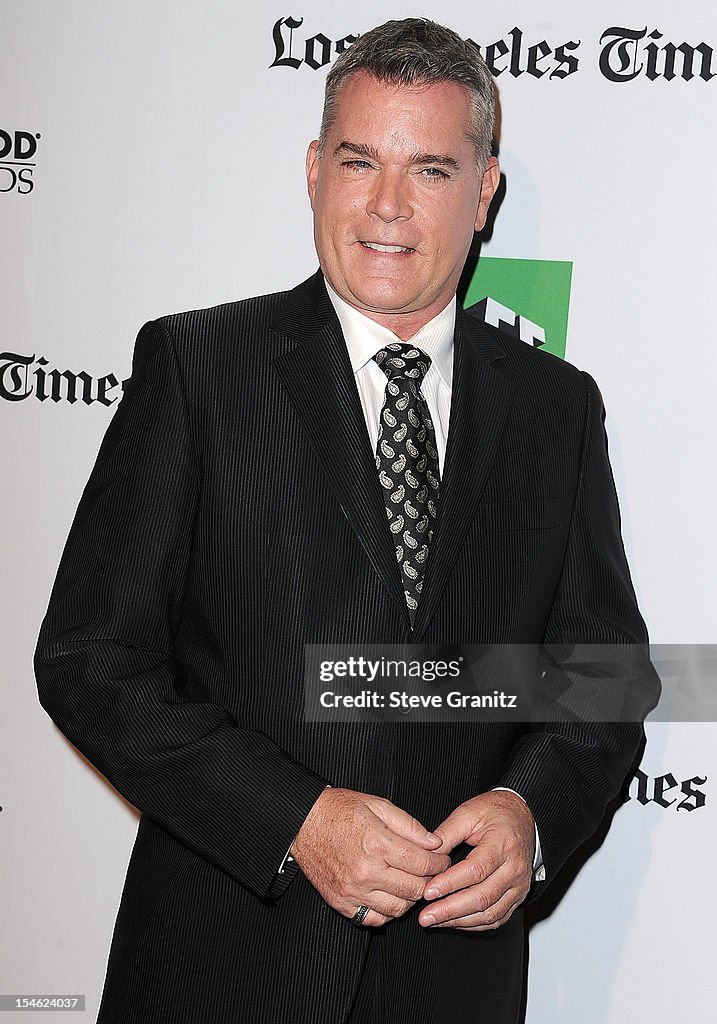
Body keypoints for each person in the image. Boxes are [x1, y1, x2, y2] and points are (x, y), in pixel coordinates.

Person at [34, 17, 659, 1024]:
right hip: (224, 972)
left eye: (430, 171)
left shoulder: (557, 408)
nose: (386, 206)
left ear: (484, 190)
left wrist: (526, 811)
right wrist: (296, 819)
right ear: (316, 169)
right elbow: (89, 657)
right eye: (361, 161)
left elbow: (604, 671)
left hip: (452, 983)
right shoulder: (201, 370)